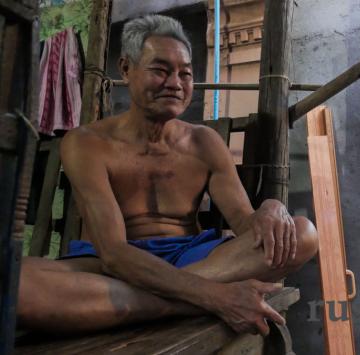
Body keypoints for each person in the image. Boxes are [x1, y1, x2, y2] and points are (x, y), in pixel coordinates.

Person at [17, 14, 318, 336]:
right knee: (16, 282)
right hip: (111, 268)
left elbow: (246, 225)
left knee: (303, 234)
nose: (175, 83)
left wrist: (272, 207)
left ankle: (140, 305)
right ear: (126, 68)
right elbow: (114, 253)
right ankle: (183, 304)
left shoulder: (204, 141)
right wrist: (216, 296)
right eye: (160, 70)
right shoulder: (86, 143)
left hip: (193, 256)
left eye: (185, 74)